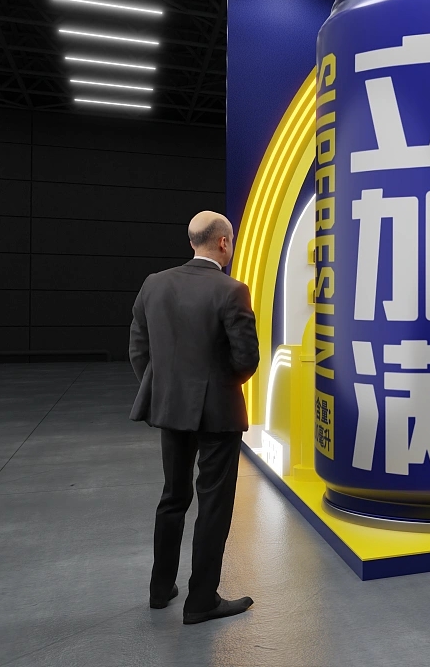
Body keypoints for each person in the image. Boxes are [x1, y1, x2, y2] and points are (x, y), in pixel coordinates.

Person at [129, 211, 260, 625]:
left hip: (170, 408)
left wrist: (167, 387)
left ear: (192, 242)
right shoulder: (232, 290)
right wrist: (217, 386)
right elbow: (247, 359)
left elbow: (138, 348)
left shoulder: (154, 284)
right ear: (223, 242)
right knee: (213, 505)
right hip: (218, 414)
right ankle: (201, 600)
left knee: (173, 496)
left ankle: (160, 589)